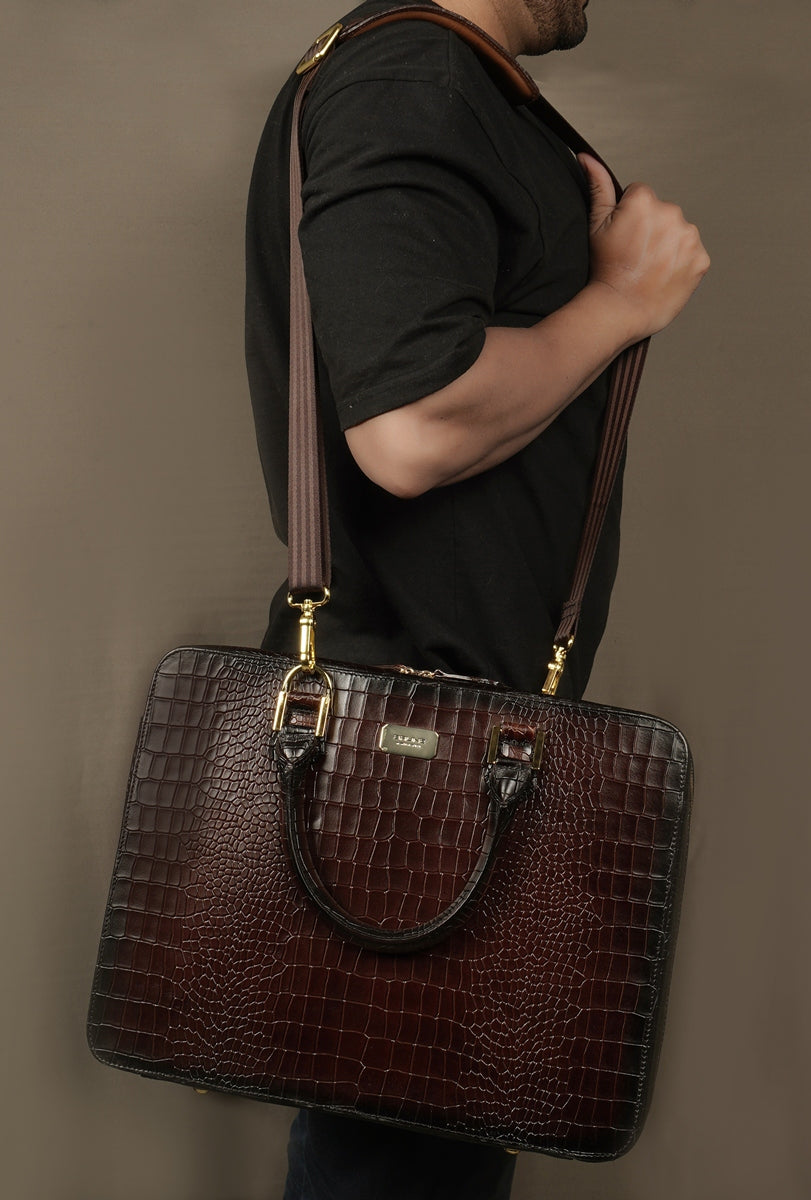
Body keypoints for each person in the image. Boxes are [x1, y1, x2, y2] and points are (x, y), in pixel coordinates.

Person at [244, 1, 709, 1196]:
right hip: (415, 782)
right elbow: (411, 426)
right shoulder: (413, 79)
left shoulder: (451, 87)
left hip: (452, 766)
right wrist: (621, 303)